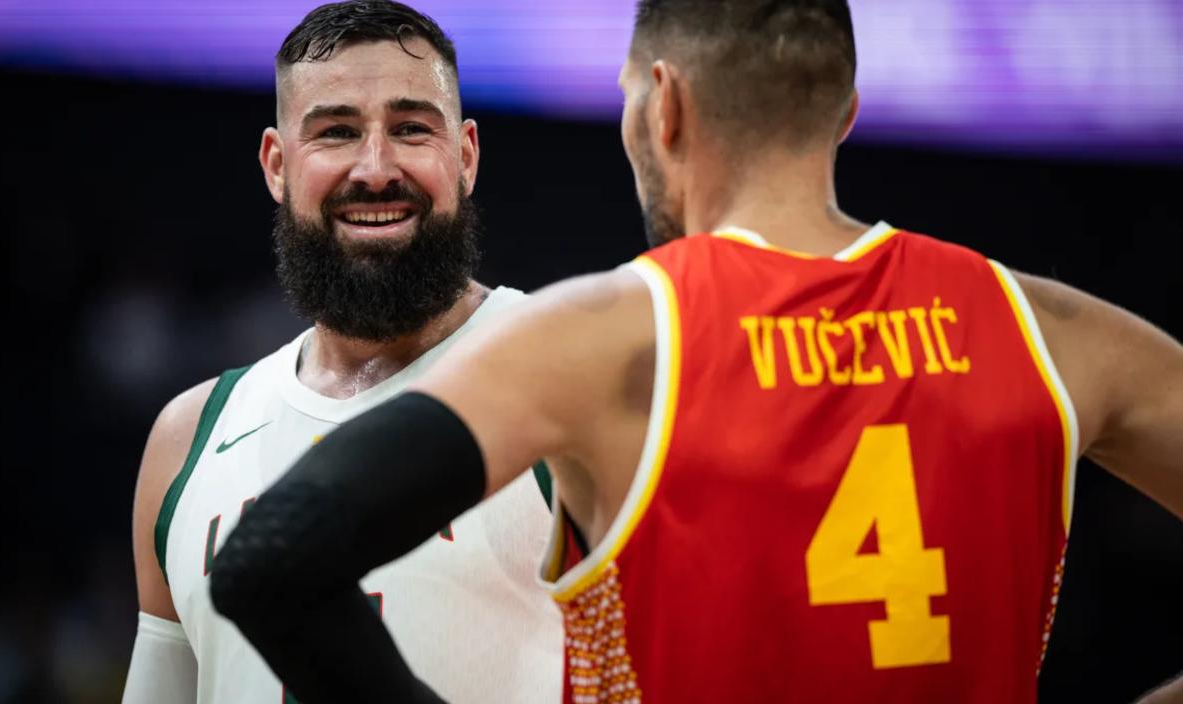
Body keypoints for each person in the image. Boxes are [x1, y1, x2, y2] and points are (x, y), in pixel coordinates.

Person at [209, 0, 1183, 702]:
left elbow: (272, 560)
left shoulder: (609, 336)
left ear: (662, 106)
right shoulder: (1044, 326)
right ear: (844, 110)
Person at [121, 2, 563, 703]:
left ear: (466, 156)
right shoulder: (188, 439)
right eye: (336, 131)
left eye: (411, 128)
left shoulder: (568, 381)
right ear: (277, 165)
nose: (376, 168)